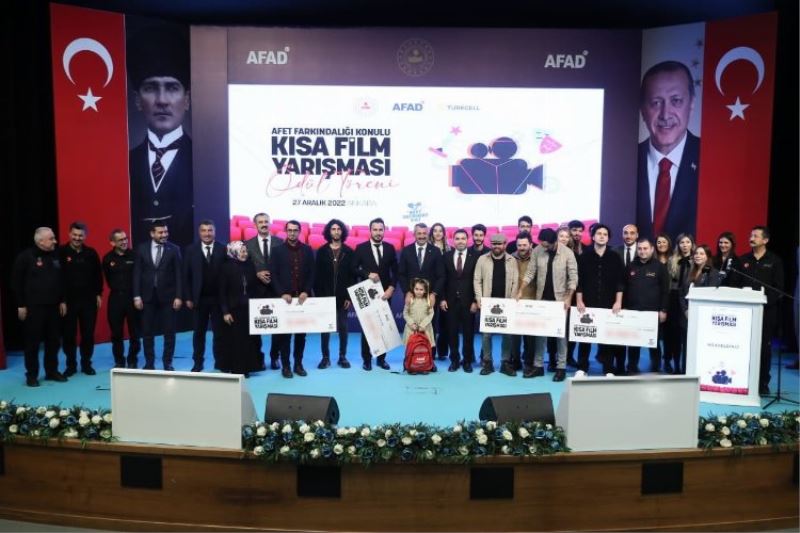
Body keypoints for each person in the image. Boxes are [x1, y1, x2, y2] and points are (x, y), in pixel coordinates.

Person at [127, 26, 194, 248]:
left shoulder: (203, 161)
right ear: (138, 100)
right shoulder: (125, 163)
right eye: (151, 88)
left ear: (186, 99)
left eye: (172, 88)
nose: (162, 100)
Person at [636, 60, 700, 240]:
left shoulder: (712, 158)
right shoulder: (625, 161)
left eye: (676, 101)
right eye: (656, 103)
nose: (665, 114)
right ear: (643, 109)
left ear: (691, 104)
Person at [517, 228, 578, 381]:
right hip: (542, 299)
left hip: (560, 300)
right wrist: (521, 290)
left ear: (554, 242)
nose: (543, 247)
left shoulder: (567, 253)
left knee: (560, 336)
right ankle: (538, 366)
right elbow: (530, 272)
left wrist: (569, 297)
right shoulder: (538, 250)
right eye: (542, 244)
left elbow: (573, 277)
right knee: (540, 334)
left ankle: (561, 368)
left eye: (546, 245)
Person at [12, 227, 68, 387]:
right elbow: (16, 282)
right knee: (32, 343)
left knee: (54, 342)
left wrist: (63, 300)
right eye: (51, 238)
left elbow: (63, 280)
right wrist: (20, 305)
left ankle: (51, 371)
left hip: (54, 307)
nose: (55, 241)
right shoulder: (25, 257)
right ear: (40, 241)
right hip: (33, 307)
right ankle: (31, 375)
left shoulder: (57, 255)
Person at [739, 226, 785, 395]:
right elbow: (736, 284)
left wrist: (763, 302)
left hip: (766, 312)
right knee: (743, 346)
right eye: (751, 235)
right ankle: (743, 380)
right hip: (745, 312)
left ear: (765, 240)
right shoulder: (743, 259)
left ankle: (763, 382)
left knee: (764, 348)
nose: (751, 238)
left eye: (756, 236)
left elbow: (778, 288)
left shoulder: (775, 261)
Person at [132, 220, 183, 370]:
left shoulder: (174, 249)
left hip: (169, 298)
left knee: (169, 332)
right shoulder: (141, 248)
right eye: (160, 232)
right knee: (147, 332)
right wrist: (136, 296)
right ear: (152, 233)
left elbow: (179, 275)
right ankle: (149, 363)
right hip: (147, 297)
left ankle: (168, 363)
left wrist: (179, 296)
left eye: (166, 232)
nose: (164, 235)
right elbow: (137, 273)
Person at [575, 224, 625, 374]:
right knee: (585, 335)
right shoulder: (584, 257)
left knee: (607, 336)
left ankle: (608, 368)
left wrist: (618, 301)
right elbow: (579, 281)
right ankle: (582, 367)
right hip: (588, 301)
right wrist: (579, 300)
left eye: (605, 234)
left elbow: (620, 282)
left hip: (608, 302)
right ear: (593, 236)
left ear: (608, 238)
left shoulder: (615, 257)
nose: (602, 236)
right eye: (599, 233)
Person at [269, 220, 315, 378]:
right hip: (284, 300)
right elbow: (274, 275)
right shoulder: (277, 251)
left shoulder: (307, 250)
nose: (292, 233)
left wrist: (306, 291)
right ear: (286, 231)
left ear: (299, 232)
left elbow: (312, 273)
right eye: (290, 230)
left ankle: (298, 364)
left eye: (295, 230)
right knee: (285, 336)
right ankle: (286, 366)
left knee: (301, 335)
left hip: (302, 299)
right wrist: (282, 293)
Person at [353, 217, 397, 371]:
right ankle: (367, 360)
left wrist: (391, 288)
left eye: (380, 230)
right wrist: (367, 274)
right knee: (368, 327)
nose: (378, 232)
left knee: (383, 327)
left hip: (385, 294)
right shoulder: (361, 248)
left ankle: (381, 359)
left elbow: (396, 271)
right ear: (370, 231)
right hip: (367, 293)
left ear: (384, 231)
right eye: (375, 229)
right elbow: (353, 268)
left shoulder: (390, 248)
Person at [59, 222, 103, 376]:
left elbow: (98, 275)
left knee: (88, 334)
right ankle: (70, 365)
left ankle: (86, 364)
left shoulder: (91, 253)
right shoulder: (61, 252)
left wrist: (98, 294)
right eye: (75, 235)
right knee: (69, 335)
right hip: (68, 302)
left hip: (89, 301)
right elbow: (57, 278)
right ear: (69, 234)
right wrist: (62, 300)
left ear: (85, 236)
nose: (77, 238)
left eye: (80, 235)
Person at [183, 220, 225, 372]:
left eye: (210, 230)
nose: (207, 233)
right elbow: (186, 276)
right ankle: (198, 362)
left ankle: (220, 362)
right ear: (199, 232)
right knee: (198, 333)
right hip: (198, 299)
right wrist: (188, 297)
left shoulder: (223, 249)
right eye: (204, 230)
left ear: (215, 232)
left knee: (219, 333)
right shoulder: (190, 250)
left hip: (218, 299)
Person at [398, 223, 444, 360]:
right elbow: (401, 274)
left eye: (424, 233)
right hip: (412, 297)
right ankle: (411, 357)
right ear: (414, 234)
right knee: (411, 326)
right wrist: (407, 291)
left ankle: (430, 359)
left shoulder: (435, 251)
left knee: (429, 326)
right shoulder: (406, 251)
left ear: (427, 234)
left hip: (429, 298)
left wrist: (434, 293)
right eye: (419, 233)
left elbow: (441, 275)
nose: (422, 236)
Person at [473, 233, 518, 375]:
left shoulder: (512, 260)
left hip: (507, 303)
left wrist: (512, 301)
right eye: (494, 244)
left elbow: (515, 281)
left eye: (499, 244)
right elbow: (477, 280)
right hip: (487, 303)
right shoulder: (482, 259)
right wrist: (479, 299)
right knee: (486, 335)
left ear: (505, 245)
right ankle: (488, 362)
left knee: (507, 335)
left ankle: (505, 363)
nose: (496, 246)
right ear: (490, 244)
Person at [244, 212, 284, 370]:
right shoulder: (247, 244)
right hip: (256, 290)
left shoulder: (280, 243)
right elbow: (243, 268)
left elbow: (283, 267)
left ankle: (275, 356)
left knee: (278, 326)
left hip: (277, 290)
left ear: (270, 223)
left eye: (266, 221)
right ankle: (258, 358)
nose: (264, 224)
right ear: (255, 225)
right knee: (255, 327)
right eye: (260, 222)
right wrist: (256, 274)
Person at [624, 237, 669, 374]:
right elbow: (625, 288)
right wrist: (624, 306)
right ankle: (632, 366)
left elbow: (665, 290)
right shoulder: (630, 266)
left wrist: (663, 309)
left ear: (651, 249)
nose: (642, 251)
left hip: (653, 312)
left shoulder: (660, 267)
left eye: (645, 248)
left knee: (653, 341)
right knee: (633, 341)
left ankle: (656, 366)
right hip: (633, 311)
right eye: (640, 249)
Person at [313, 218, 354, 369]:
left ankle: (342, 357)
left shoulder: (349, 252)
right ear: (328, 232)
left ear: (342, 232)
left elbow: (352, 276)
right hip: (325, 296)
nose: (336, 232)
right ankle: (325, 358)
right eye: (333, 229)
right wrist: (319, 296)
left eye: (338, 229)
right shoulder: (322, 251)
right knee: (325, 328)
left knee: (343, 327)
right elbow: (317, 275)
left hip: (343, 297)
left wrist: (349, 296)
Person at [218, 241, 262, 377]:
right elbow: (222, 292)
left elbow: (254, 287)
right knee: (235, 340)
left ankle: (248, 367)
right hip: (233, 310)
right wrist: (225, 312)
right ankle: (236, 368)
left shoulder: (250, 265)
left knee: (249, 340)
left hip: (249, 309)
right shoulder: (225, 267)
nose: (245, 254)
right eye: (242, 251)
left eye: (246, 251)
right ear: (234, 252)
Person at [439, 229, 479, 373]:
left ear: (467, 240)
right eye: (457, 238)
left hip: (469, 302)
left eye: (463, 238)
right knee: (452, 333)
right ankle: (454, 360)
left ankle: (467, 361)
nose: (460, 241)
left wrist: (475, 300)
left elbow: (478, 280)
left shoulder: (476, 257)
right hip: (450, 302)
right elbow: (442, 279)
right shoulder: (446, 256)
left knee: (468, 334)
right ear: (453, 240)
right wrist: (442, 299)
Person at [102, 229, 141, 369]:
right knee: (116, 332)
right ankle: (119, 360)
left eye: (125, 239)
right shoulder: (107, 259)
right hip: (115, 299)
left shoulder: (135, 256)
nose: (124, 242)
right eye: (120, 240)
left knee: (135, 332)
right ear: (112, 242)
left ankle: (132, 359)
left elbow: (139, 277)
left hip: (132, 298)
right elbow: (107, 278)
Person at [664, 233, 695, 373]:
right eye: (682, 242)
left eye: (687, 242)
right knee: (673, 334)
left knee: (686, 333)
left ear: (692, 244)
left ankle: (686, 365)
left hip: (690, 298)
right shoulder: (672, 260)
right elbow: (668, 282)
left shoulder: (696, 259)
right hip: (673, 298)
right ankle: (673, 363)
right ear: (678, 245)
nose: (685, 245)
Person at [510, 232, 536, 373]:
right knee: (514, 336)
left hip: (532, 301)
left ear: (531, 245)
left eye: (525, 245)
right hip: (514, 301)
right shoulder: (510, 258)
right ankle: (515, 361)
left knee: (530, 336)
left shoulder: (536, 258)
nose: (522, 247)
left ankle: (528, 363)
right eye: (519, 245)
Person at [428, 222, 452, 361]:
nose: (438, 233)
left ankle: (442, 352)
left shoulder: (450, 249)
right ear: (432, 233)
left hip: (447, 290)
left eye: (440, 231)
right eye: (435, 231)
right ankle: (430, 352)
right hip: (432, 290)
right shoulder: (428, 249)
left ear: (444, 233)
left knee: (445, 323)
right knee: (431, 323)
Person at [402, 278, 436, 371]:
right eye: (416, 289)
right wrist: (411, 323)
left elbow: (431, 314)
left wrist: (423, 325)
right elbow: (405, 313)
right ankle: (409, 363)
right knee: (410, 347)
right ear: (413, 289)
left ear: (425, 291)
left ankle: (428, 363)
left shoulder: (428, 301)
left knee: (426, 346)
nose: (418, 291)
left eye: (421, 289)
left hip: (425, 329)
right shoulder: (410, 300)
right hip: (411, 329)